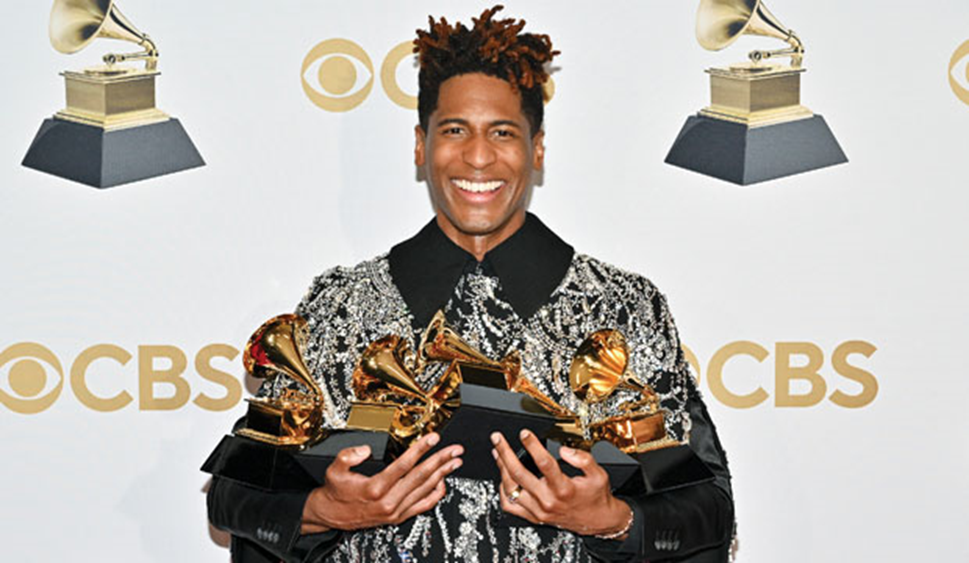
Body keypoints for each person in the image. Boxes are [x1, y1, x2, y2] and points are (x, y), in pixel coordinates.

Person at [208, 5, 734, 562]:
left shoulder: (623, 308)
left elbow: (706, 506)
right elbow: (234, 493)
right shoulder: (340, 305)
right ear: (420, 144)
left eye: (502, 132)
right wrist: (324, 510)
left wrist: (611, 521)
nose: (478, 157)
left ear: (537, 148)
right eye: (454, 130)